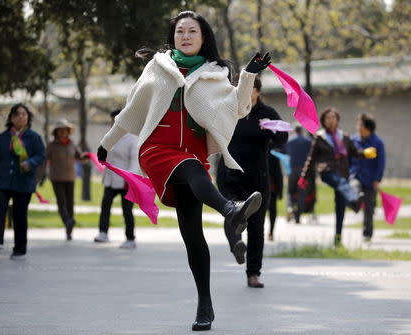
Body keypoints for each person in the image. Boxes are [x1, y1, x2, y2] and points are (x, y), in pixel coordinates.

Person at [97, 11, 268, 331]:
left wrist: (246, 76)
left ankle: (205, 306)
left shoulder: (215, 73)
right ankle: (231, 210)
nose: (185, 36)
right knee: (193, 172)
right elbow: (132, 107)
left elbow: (239, 108)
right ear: (173, 36)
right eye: (180, 31)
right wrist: (108, 141)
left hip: (193, 151)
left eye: (192, 31)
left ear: (204, 38)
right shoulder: (157, 66)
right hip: (157, 149)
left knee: (192, 234)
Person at [216, 76, 288, 288]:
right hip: (230, 174)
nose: (245, 92)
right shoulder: (228, 110)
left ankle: (253, 274)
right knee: (232, 214)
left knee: (256, 227)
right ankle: (236, 244)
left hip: (257, 177)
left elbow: (282, 140)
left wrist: (271, 129)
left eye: (249, 89)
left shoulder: (267, 114)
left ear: (257, 91)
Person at [299, 107, 377, 246]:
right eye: (328, 117)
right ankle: (354, 198)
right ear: (323, 120)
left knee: (340, 206)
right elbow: (310, 159)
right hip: (327, 171)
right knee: (341, 183)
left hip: (342, 172)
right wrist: (303, 177)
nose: (331, 120)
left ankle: (338, 238)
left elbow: (354, 152)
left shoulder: (345, 137)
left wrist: (365, 153)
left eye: (333, 117)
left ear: (338, 119)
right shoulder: (319, 137)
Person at [0, 103, 45, 259]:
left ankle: (19, 249)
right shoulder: (3, 137)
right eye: (17, 114)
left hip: (24, 183)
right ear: (11, 118)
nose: (21, 117)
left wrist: (30, 163)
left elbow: (41, 156)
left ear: (28, 117)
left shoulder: (34, 137)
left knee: (19, 215)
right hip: (3, 181)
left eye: (24, 114)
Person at [94, 110, 139, 248]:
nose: (114, 123)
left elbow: (134, 161)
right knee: (105, 206)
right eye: (112, 121)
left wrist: (130, 178)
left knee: (127, 210)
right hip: (110, 180)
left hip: (125, 182)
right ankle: (103, 233)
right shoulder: (109, 137)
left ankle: (130, 239)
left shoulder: (132, 138)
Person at [46, 119, 85, 240]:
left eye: (65, 130)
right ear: (56, 132)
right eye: (60, 130)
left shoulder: (72, 144)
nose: (63, 132)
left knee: (70, 203)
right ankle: (67, 221)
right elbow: (44, 159)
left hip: (70, 177)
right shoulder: (51, 145)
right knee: (61, 202)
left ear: (68, 131)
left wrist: (86, 158)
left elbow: (79, 156)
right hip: (56, 178)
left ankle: (69, 230)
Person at [350, 113, 386, 242]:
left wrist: (377, 179)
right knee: (354, 190)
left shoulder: (378, 142)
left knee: (369, 209)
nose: (357, 126)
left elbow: (381, 163)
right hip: (355, 175)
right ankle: (356, 203)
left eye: (360, 124)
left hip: (370, 179)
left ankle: (367, 234)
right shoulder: (353, 140)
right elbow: (348, 157)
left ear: (367, 128)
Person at [285, 124, 316, 224]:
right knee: (301, 193)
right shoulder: (308, 141)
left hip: (292, 170)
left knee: (290, 191)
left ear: (294, 131)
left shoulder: (289, 141)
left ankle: (290, 207)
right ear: (302, 131)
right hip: (303, 171)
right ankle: (298, 216)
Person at [267, 151, 283, 241]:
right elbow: (278, 176)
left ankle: (268, 232)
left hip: (259, 189)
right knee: (272, 212)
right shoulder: (274, 159)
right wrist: (279, 192)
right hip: (271, 190)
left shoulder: (255, 156)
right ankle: (271, 232)